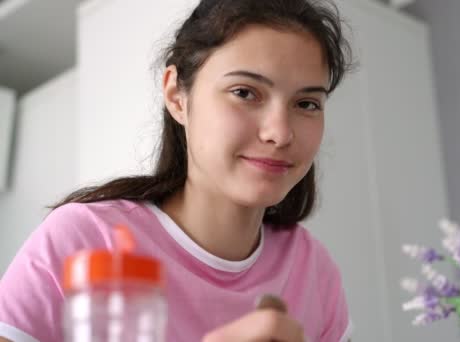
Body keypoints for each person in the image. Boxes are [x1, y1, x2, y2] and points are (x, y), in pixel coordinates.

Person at [0, 0, 354, 341]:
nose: (279, 133)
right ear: (176, 95)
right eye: (245, 93)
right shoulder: (82, 239)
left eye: (307, 104)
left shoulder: (315, 272)